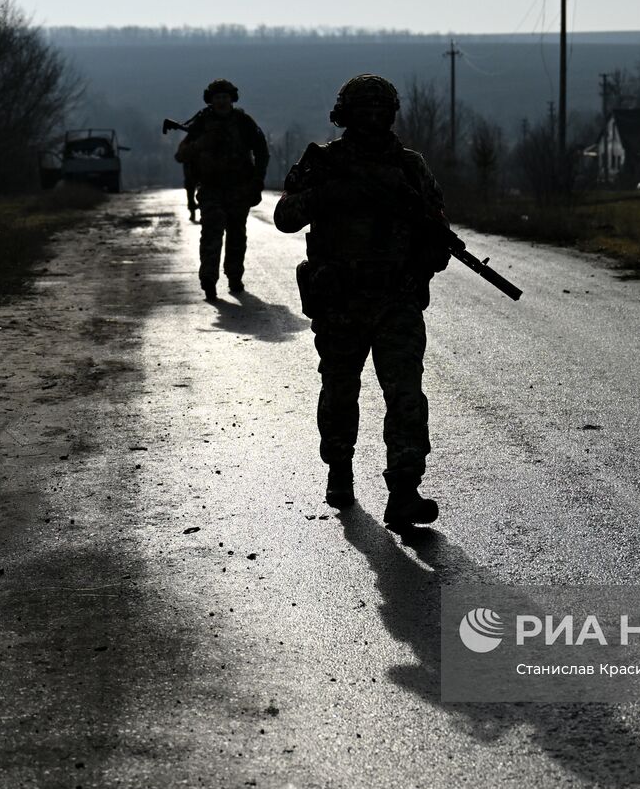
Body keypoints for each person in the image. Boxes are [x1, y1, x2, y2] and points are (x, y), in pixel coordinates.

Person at [273, 74, 451, 528]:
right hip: (340, 302)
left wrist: (427, 251)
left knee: (406, 395)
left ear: (391, 115)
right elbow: (285, 217)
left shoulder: (410, 168)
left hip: (397, 300)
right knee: (339, 390)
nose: (373, 120)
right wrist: (329, 196)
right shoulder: (324, 164)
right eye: (364, 112)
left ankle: (405, 491)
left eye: (380, 112)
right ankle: (339, 467)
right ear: (345, 117)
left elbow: (437, 235)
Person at [174, 79, 269, 300]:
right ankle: (208, 279)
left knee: (237, 234)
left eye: (225, 97)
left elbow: (262, 151)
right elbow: (181, 155)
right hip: (211, 189)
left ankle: (234, 276)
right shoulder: (201, 124)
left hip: (239, 188)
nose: (221, 102)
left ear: (232, 99)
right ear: (211, 100)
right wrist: (203, 143)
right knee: (211, 234)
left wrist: (258, 180)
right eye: (217, 98)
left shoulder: (243, 122)